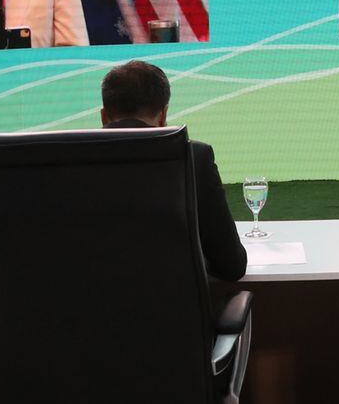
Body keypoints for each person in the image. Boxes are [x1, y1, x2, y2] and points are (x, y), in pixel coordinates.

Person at [98, 60, 246, 282]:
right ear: (163, 116)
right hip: (176, 315)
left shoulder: (65, 163)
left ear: (104, 117)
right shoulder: (195, 158)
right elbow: (231, 265)